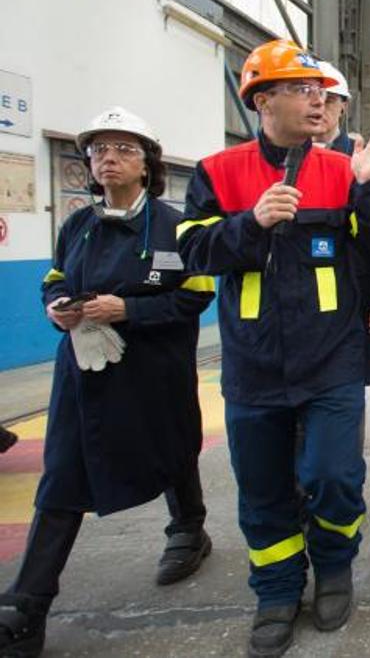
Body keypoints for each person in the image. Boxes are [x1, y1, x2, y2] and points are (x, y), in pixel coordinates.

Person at [178, 39, 370, 657]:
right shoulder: (218, 173)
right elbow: (192, 253)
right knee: (264, 488)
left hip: (330, 358)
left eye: (319, 92)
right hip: (253, 365)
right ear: (263, 99)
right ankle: (276, 589)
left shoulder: (340, 169)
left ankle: (333, 566)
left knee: (332, 475)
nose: (316, 99)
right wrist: (251, 223)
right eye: (302, 89)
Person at [0, 107, 215, 657]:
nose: (108, 159)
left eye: (122, 150)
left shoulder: (173, 226)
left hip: (152, 371)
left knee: (173, 449)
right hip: (84, 373)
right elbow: (53, 277)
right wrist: (56, 308)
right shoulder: (78, 225)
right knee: (62, 476)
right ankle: (28, 604)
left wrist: (130, 311)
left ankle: (187, 528)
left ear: (146, 163)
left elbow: (197, 293)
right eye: (99, 151)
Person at [314, 60, 370, 391]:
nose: (320, 106)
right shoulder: (289, 158)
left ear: (343, 106)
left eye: (330, 100)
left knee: (347, 385)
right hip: (305, 297)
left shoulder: (364, 155)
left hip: (355, 291)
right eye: (313, 96)